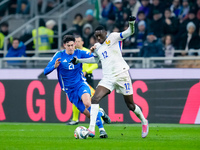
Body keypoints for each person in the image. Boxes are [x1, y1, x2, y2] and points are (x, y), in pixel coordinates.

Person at [70, 16, 149, 138]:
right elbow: (95, 60)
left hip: (122, 75)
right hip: (108, 78)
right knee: (94, 99)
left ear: (105, 33)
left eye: (100, 35)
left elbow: (129, 32)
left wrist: (131, 23)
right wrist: (78, 61)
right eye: (96, 36)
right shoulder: (97, 47)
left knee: (130, 105)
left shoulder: (113, 37)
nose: (99, 38)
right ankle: (91, 130)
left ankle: (144, 121)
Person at [44, 35, 110, 138]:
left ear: (75, 44)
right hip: (69, 91)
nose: (71, 48)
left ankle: (102, 130)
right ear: (64, 46)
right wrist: (54, 66)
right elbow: (45, 71)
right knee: (88, 114)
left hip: (81, 84)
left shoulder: (79, 53)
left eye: (72, 45)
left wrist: (96, 50)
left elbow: (95, 58)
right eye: (68, 45)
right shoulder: (59, 55)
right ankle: (100, 114)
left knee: (88, 103)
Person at [66, 35, 98, 125]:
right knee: (76, 98)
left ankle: (100, 117)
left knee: (91, 100)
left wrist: (86, 71)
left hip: (87, 77)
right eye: (76, 41)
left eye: (79, 41)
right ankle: (75, 119)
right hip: (77, 78)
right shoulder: (72, 54)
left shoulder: (86, 52)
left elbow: (95, 64)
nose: (77, 43)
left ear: (82, 42)